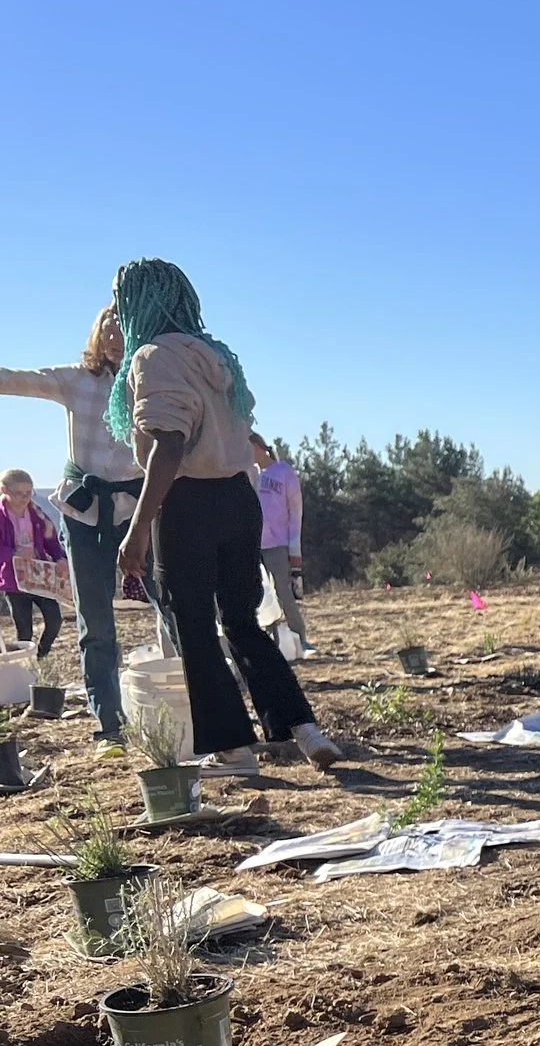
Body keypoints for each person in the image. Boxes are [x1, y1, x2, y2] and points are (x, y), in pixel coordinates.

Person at [105, 259, 339, 775]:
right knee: (242, 621)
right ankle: (304, 728)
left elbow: (169, 445)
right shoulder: (215, 354)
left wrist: (139, 530)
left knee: (195, 627)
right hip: (239, 497)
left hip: (187, 501)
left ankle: (232, 749)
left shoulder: (151, 357)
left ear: (138, 302)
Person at [0, 308, 143, 742]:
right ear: (96, 336)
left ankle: (197, 712)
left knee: (175, 608)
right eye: (108, 329)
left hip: (139, 509)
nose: (116, 337)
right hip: (85, 515)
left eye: (125, 329)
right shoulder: (76, 380)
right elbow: (16, 379)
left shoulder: (148, 379)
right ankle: (109, 727)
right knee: (95, 623)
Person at [248, 432, 310, 649]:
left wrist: (295, 548)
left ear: (258, 446)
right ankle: (270, 642)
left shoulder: (284, 472)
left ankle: (299, 639)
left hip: (278, 544)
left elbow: (295, 512)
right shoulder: (249, 474)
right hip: (253, 544)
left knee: (283, 592)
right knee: (260, 596)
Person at [0, 469, 69, 655]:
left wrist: (59, 558)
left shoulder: (37, 514)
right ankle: (26, 665)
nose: (25, 498)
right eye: (19, 494)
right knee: (24, 631)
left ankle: (41, 655)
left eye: (29, 493)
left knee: (54, 620)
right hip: (14, 581)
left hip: (40, 576)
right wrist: (14, 553)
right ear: (4, 490)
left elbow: (51, 540)